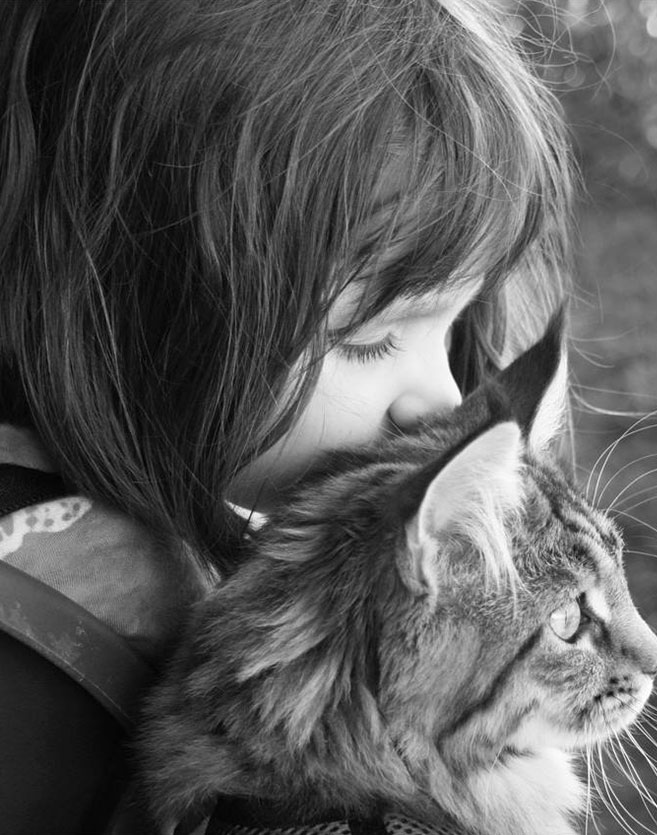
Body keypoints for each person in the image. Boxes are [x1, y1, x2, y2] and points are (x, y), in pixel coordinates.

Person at [0, 0, 574, 832]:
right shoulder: (33, 658)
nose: (448, 399)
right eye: (375, 337)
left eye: (452, 325)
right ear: (115, 309)